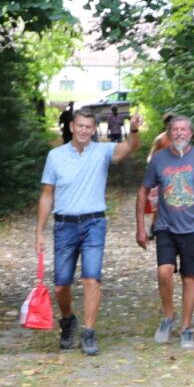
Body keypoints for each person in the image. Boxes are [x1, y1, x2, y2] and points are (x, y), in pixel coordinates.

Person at [35, 108, 141, 355]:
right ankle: (68, 320)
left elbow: (130, 147)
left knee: (91, 278)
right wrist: (39, 232)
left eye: (88, 127)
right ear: (72, 127)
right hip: (64, 225)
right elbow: (47, 195)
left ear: (94, 130)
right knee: (61, 285)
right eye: (80, 126)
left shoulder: (102, 151)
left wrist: (134, 129)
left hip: (94, 223)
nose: (83, 131)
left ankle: (89, 333)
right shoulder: (55, 156)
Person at [136, 114, 194, 347]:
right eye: (175, 129)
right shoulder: (159, 159)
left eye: (183, 129)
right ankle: (168, 316)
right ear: (169, 134)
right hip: (166, 227)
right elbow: (143, 191)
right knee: (164, 271)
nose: (179, 133)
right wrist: (140, 227)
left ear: (191, 133)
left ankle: (186, 328)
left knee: (190, 278)